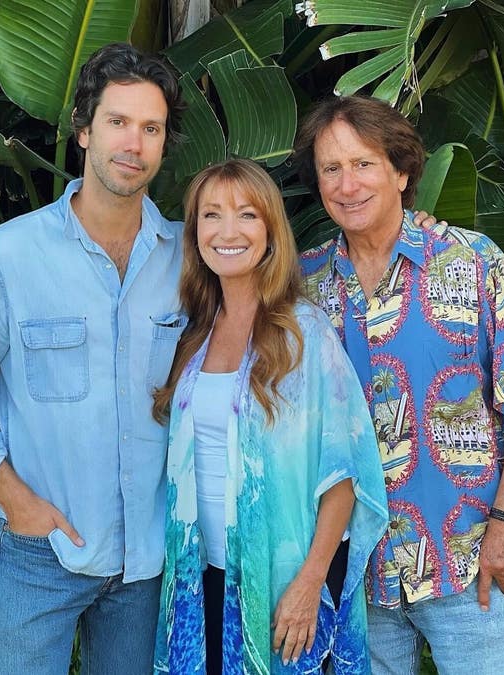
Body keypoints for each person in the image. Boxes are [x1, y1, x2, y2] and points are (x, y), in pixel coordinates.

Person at [0, 43, 186, 674]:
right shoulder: (4, 259)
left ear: (163, 144)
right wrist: (13, 499)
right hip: (40, 551)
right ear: (84, 130)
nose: (133, 143)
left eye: (151, 128)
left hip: (147, 561)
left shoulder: (190, 262)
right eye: (117, 122)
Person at [294, 95, 504, 675]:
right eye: (331, 169)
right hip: (356, 570)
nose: (347, 184)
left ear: (402, 172)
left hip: (471, 558)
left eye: (363, 164)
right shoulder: (305, 284)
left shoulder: (472, 261)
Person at [150, 158, 388, 674]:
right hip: (202, 573)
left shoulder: (304, 335)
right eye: (211, 215)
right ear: (195, 233)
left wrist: (309, 583)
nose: (227, 232)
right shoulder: (193, 334)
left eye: (247, 215)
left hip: (281, 581)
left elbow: (343, 476)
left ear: (271, 232)